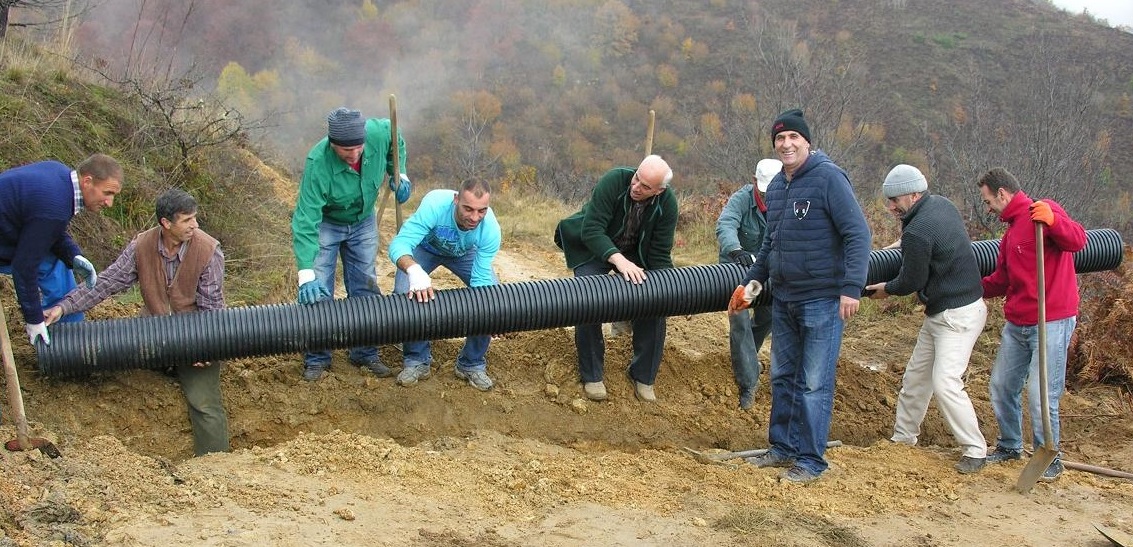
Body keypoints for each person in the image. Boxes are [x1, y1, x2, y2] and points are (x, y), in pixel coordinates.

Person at [729, 109, 871, 483]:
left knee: (813, 382)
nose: (787, 144)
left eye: (794, 137)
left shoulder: (828, 179)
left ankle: (810, 460)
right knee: (783, 376)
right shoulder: (777, 187)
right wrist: (751, 289)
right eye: (780, 139)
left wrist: (851, 287)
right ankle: (782, 448)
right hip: (785, 299)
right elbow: (768, 247)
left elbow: (857, 233)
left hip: (823, 299)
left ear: (807, 141)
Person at [44, 189, 230, 457]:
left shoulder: (208, 250)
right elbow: (106, 283)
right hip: (152, 332)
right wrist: (63, 306)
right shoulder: (142, 246)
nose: (195, 225)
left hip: (195, 337)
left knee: (204, 403)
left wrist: (208, 347)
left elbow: (212, 307)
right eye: (187, 220)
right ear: (166, 223)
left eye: (195, 218)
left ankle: (216, 464)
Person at [864, 165, 989, 474]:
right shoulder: (940, 206)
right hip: (945, 311)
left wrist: (886, 290)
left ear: (914, 194)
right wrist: (893, 248)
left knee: (945, 382)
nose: (891, 207)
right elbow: (915, 242)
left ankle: (975, 450)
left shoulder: (919, 229)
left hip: (957, 316)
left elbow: (911, 280)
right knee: (916, 378)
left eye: (895, 200)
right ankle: (903, 439)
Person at [977, 167, 1086, 482]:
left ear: (1003, 193)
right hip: (1019, 320)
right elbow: (1003, 279)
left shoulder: (1044, 212)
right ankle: (1010, 445)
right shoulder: (1010, 232)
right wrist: (969, 288)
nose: (987, 208)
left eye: (988, 201)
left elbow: (1077, 240)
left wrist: (1054, 220)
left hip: (1050, 319)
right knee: (1001, 386)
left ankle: (1049, 454)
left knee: (1041, 393)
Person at [291, 106, 412, 381]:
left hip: (363, 220)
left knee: (365, 285)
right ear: (333, 144)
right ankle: (318, 357)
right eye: (347, 151)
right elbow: (306, 219)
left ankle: (365, 352)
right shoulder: (317, 163)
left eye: (359, 148)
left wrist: (400, 173)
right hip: (328, 222)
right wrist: (306, 273)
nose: (354, 154)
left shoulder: (378, 133)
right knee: (319, 291)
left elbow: (397, 139)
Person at [555, 154, 677, 403]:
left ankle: (644, 376)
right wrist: (619, 261)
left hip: (636, 253)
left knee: (656, 301)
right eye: (636, 179)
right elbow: (592, 230)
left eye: (645, 187)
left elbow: (660, 255)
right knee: (588, 298)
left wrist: (676, 292)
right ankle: (592, 374)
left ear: (659, 191)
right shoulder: (614, 180)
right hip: (595, 246)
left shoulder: (668, 204)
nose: (636, 187)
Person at [388, 178, 501, 391]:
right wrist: (414, 270)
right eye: (468, 209)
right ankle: (417, 360)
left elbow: (480, 280)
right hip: (425, 250)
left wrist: (490, 315)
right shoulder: (434, 204)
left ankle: (471, 363)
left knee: (491, 301)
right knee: (405, 294)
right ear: (456, 200)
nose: (474, 217)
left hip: (463, 253)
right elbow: (399, 244)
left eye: (481, 211)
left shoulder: (490, 229)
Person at [0, 154, 122, 346]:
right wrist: (33, 319)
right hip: (6, 239)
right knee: (45, 265)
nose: (109, 202)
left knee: (56, 266)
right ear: (87, 181)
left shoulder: (59, 175)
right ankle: (61, 344)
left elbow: (45, 230)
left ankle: (67, 342)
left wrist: (73, 255)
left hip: (8, 232)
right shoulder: (54, 205)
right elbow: (24, 267)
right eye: (107, 193)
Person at [717, 158, 781, 410]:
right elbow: (726, 224)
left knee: (769, 315)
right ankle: (748, 384)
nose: (768, 198)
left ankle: (747, 359)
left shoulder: (786, 200)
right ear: (754, 182)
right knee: (740, 320)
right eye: (764, 192)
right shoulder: (742, 199)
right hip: (738, 271)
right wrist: (735, 249)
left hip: (765, 272)